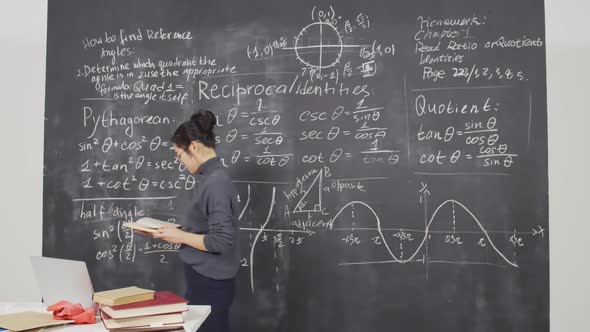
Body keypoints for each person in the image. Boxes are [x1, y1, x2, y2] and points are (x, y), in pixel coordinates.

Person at [151, 110, 239, 332]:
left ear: (194, 147)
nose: (180, 162)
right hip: (206, 280)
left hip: (210, 283)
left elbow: (220, 241)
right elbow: (207, 229)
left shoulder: (216, 183)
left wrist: (180, 236)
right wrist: (177, 230)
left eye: (179, 155)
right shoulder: (211, 178)